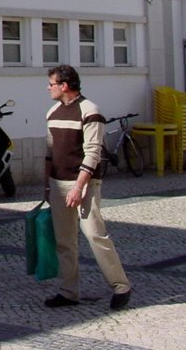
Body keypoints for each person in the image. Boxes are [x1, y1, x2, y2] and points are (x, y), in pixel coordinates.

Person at [43, 64, 132, 310]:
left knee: (95, 235)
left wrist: (78, 187)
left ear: (64, 85)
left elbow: (92, 153)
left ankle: (121, 286)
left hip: (84, 184)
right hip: (58, 183)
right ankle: (68, 292)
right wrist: (48, 186)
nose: (48, 88)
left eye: (51, 83)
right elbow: (50, 152)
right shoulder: (52, 112)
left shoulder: (90, 111)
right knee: (64, 240)